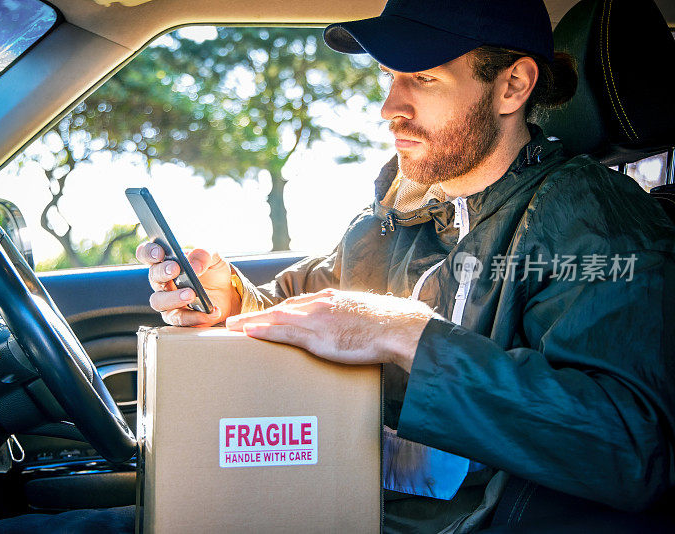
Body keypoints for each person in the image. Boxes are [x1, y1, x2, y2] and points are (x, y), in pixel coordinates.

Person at [137, 0, 675, 532]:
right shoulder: (396, 216)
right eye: (389, 76)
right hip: (357, 507)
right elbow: (306, 308)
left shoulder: (594, 220)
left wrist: (407, 335)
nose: (389, 105)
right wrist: (229, 299)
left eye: (421, 77)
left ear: (513, 85)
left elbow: (632, 446)